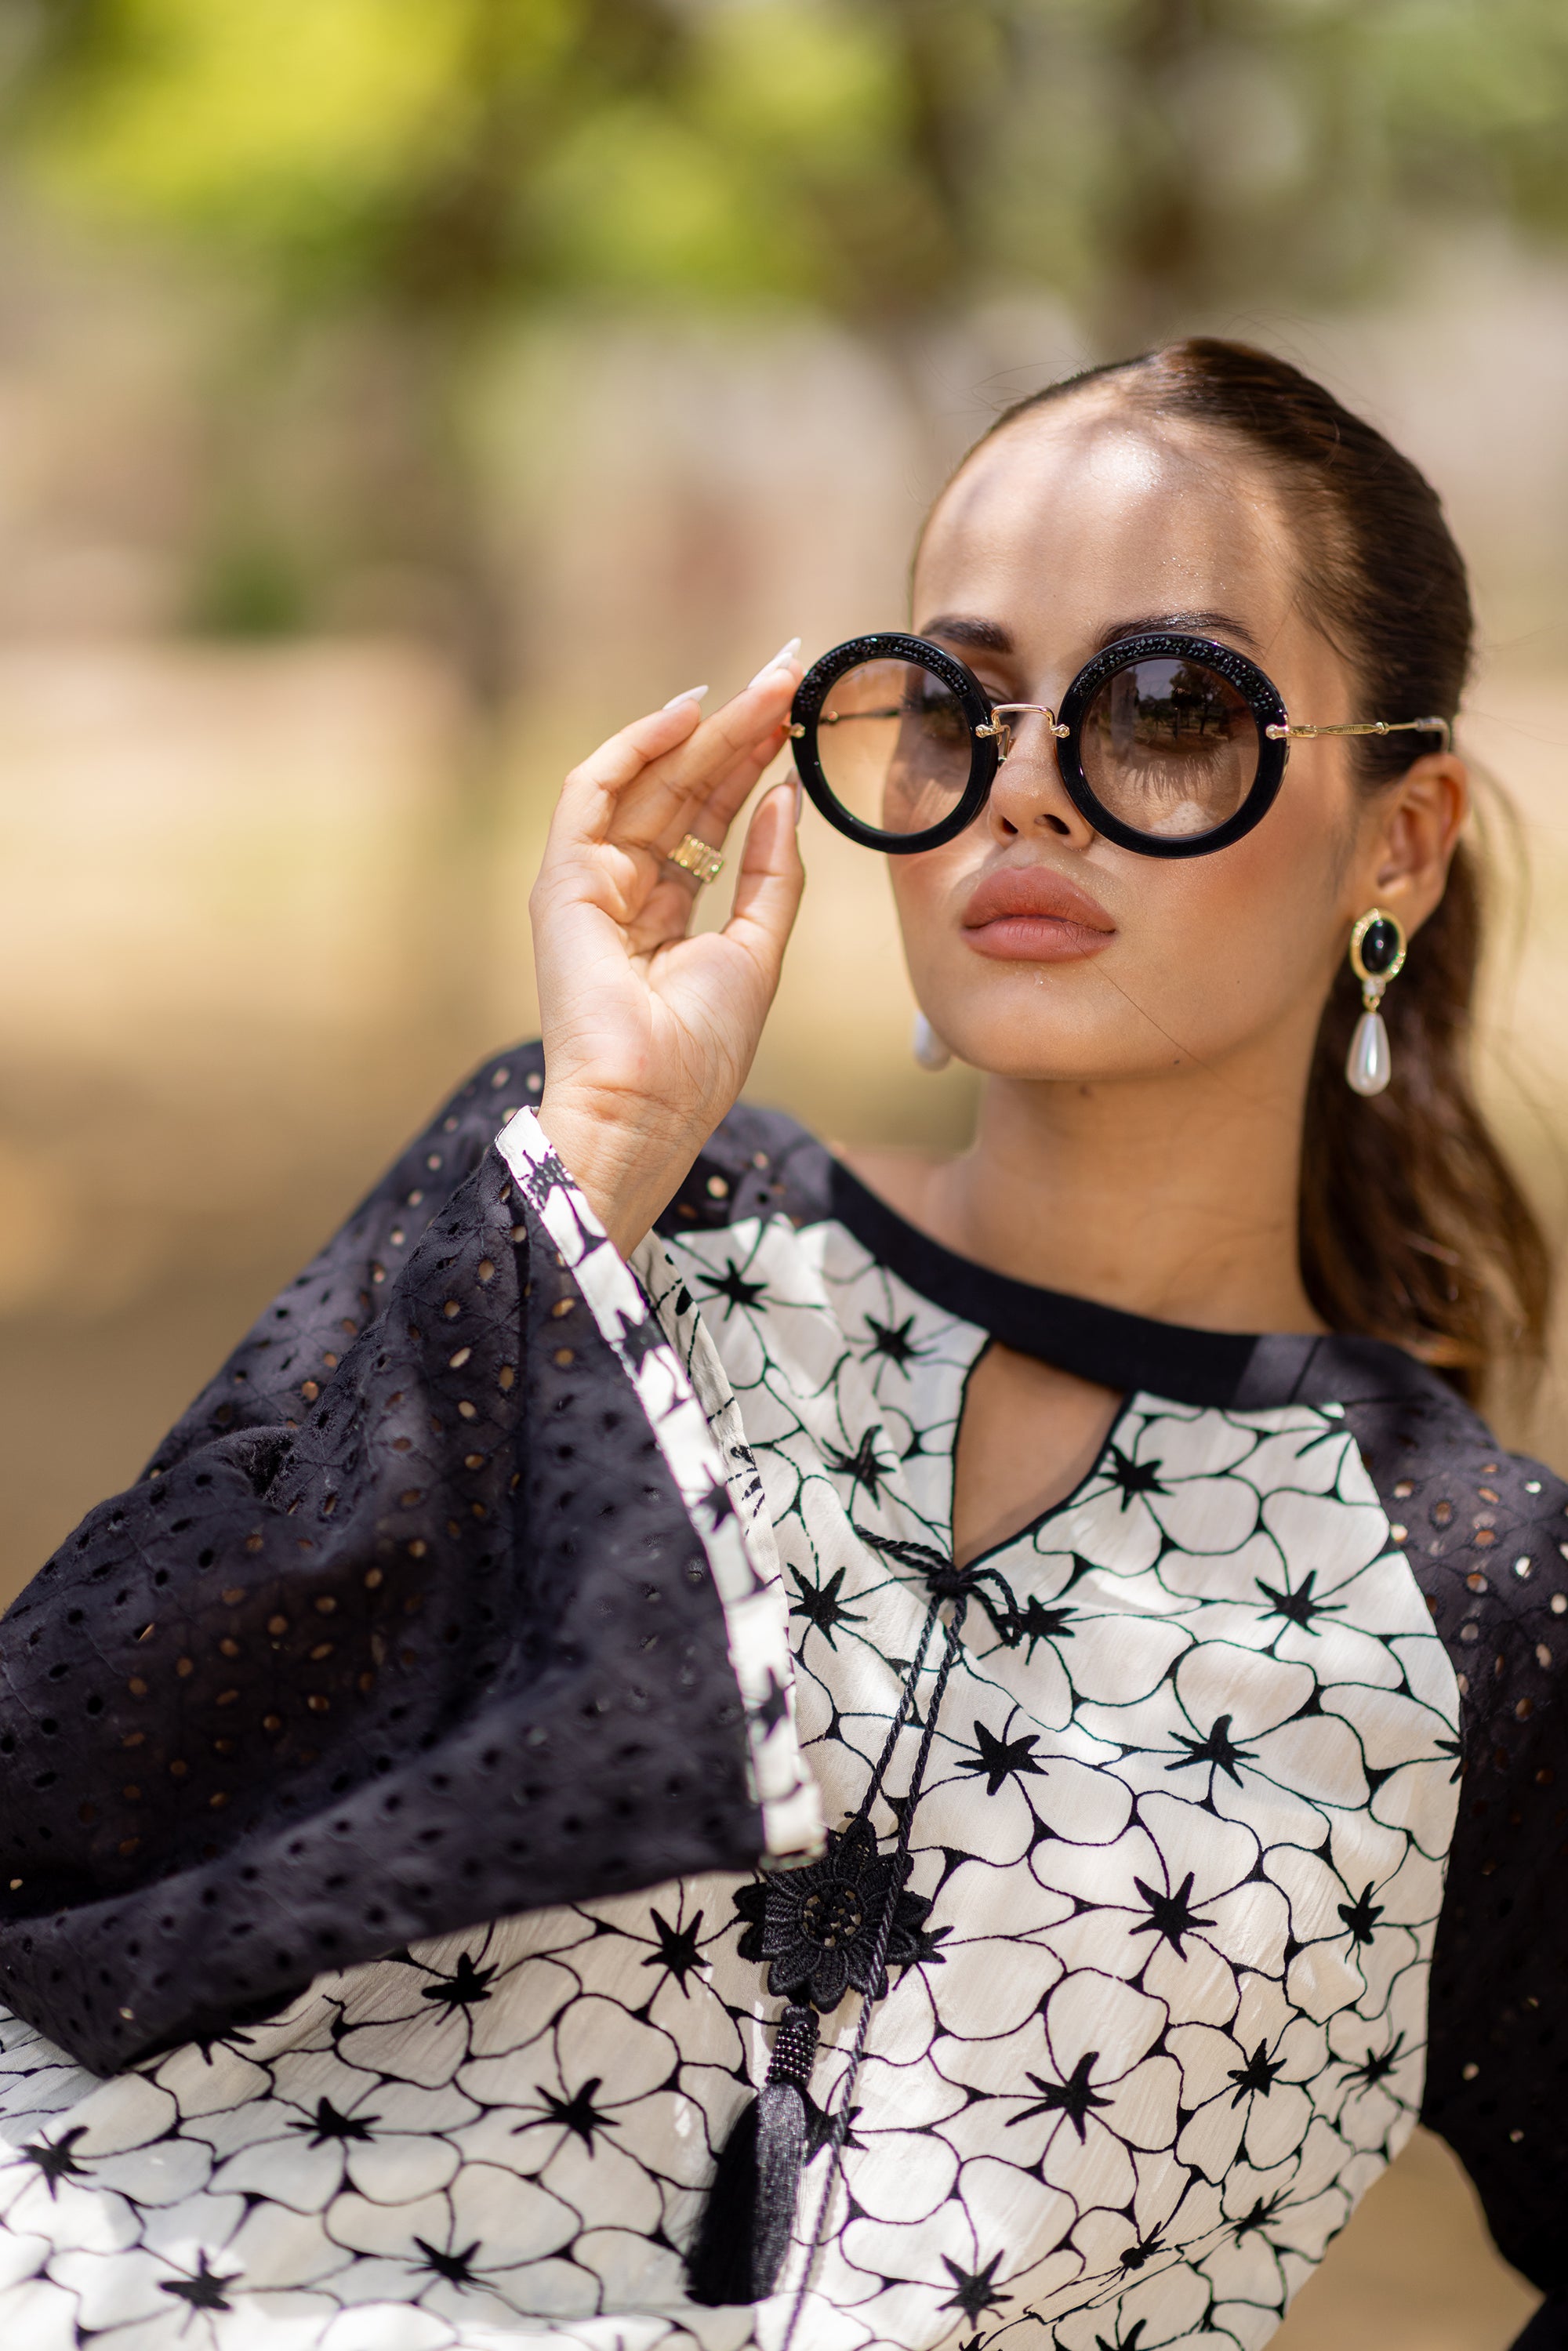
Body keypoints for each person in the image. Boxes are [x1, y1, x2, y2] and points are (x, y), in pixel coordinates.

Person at [0, 339, 1561, 2351]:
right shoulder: (625, 1213)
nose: (1022, 787)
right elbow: (86, 1781)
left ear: (1396, 843)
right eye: (953, 705)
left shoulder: (1468, 1603)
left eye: (1168, 707)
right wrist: (592, 1160)